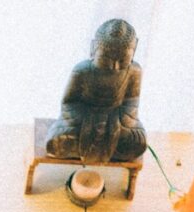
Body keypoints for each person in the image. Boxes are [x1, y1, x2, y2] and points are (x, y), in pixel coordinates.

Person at [45, 18, 147, 165]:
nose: (115, 67)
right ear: (93, 48)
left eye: (123, 60)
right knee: (58, 138)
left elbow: (131, 103)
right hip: (83, 119)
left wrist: (117, 122)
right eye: (105, 59)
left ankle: (86, 144)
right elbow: (69, 103)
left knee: (136, 141)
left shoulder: (134, 71)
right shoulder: (82, 70)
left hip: (116, 121)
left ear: (134, 50)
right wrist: (91, 120)